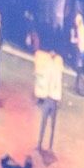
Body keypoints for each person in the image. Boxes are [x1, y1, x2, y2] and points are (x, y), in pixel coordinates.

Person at [31, 26, 61, 154]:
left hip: (53, 98)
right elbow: (45, 78)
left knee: (51, 124)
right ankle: (40, 144)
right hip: (49, 97)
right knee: (44, 122)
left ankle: (49, 146)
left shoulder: (57, 66)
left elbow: (56, 82)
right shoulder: (50, 65)